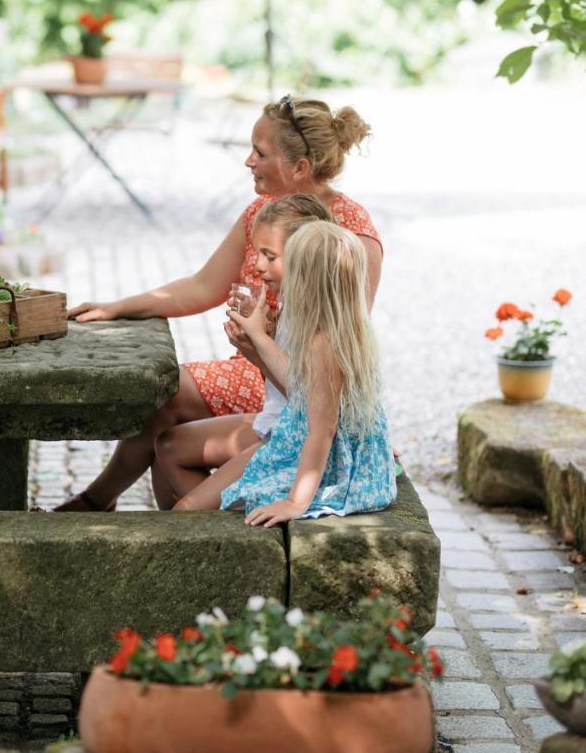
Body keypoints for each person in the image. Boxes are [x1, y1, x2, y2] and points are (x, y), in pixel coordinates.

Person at [56, 95, 382, 512]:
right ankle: (159, 519)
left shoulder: (347, 236)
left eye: (260, 153)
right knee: (167, 415)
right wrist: (118, 307)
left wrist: (259, 344)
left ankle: (100, 502)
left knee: (167, 395)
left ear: (300, 168)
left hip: (296, 382)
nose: (248, 161)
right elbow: (203, 285)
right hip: (258, 367)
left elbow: (339, 357)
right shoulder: (262, 213)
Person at [175, 222, 397, 524]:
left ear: (305, 280)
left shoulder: (324, 344)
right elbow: (305, 390)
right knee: (189, 507)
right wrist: (257, 338)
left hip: (323, 466)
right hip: (301, 445)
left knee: (187, 511)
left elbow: (322, 431)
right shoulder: (346, 330)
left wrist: (294, 502)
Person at [150, 194, 332, 509]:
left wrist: (260, 340)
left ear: (304, 256)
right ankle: (226, 522)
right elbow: (286, 387)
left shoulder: (321, 318)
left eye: (269, 256)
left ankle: (225, 524)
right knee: (168, 446)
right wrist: (252, 349)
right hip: (283, 422)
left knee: (186, 510)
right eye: (257, 253)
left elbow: (313, 403)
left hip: (295, 438)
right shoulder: (291, 301)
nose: (257, 266)